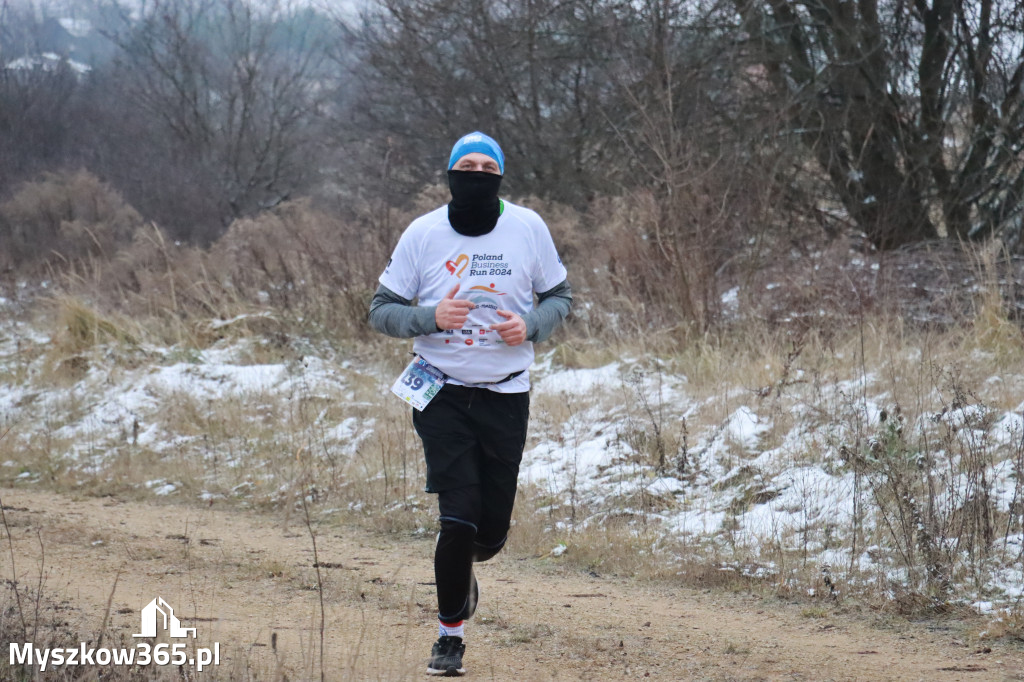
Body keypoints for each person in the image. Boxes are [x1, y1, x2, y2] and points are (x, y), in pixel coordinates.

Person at [368, 131, 572, 676]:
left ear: (501, 175)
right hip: (441, 393)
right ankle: (449, 635)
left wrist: (529, 324)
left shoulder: (528, 226)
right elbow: (381, 309)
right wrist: (429, 317)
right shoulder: (424, 232)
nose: (477, 173)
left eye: (488, 166)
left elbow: (560, 297)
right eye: (467, 165)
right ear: (451, 174)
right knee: (456, 520)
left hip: (507, 392)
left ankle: (466, 570)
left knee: (490, 534)